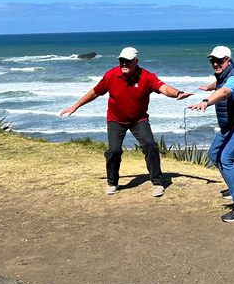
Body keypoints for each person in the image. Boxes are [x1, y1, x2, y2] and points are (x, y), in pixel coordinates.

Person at [60, 47, 192, 197]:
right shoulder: (111, 75)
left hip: (138, 119)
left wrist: (178, 93)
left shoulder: (147, 76)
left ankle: (157, 182)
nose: (124, 64)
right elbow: (95, 92)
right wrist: (76, 106)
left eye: (128, 61)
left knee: (150, 146)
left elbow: (163, 88)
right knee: (114, 151)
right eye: (122, 61)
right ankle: (112, 182)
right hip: (116, 120)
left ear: (136, 61)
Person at [187, 46, 234, 223]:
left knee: (226, 159)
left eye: (219, 60)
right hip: (232, 126)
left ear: (228, 60)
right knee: (214, 154)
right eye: (212, 60)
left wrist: (207, 101)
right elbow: (220, 85)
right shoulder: (224, 75)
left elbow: (226, 91)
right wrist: (209, 87)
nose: (215, 64)